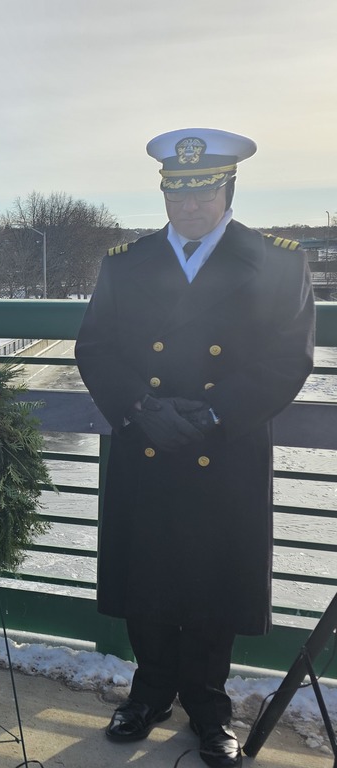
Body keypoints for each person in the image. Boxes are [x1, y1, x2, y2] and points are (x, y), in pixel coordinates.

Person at [75, 129, 315, 768]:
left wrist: (212, 411)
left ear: (228, 187)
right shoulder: (125, 262)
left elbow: (289, 357)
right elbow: (95, 347)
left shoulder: (278, 261)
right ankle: (149, 691)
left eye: (202, 191)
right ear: (163, 193)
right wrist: (139, 408)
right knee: (147, 577)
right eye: (176, 194)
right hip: (144, 441)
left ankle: (210, 706)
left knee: (213, 583)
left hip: (224, 446)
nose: (188, 206)